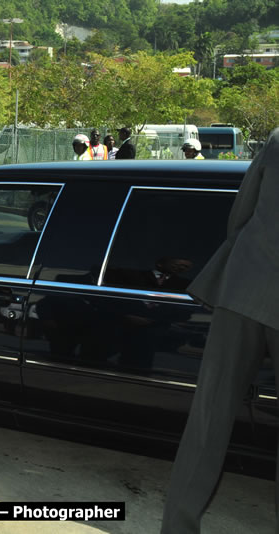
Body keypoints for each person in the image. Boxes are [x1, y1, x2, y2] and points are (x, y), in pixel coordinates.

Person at [160, 127, 279, 533]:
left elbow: (241, 215)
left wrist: (247, 270)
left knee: (208, 418)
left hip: (242, 289)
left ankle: (178, 527)